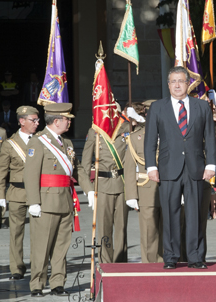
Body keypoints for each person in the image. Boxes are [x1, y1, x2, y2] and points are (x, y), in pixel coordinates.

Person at [144, 66, 216, 270]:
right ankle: (171, 257)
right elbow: (150, 140)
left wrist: (211, 164)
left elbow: (209, 137)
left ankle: (195, 257)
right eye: (173, 81)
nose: (177, 85)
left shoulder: (202, 107)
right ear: (168, 85)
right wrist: (151, 167)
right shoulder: (158, 108)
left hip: (196, 168)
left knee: (195, 214)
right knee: (169, 213)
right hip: (167, 168)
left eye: (181, 81)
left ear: (188, 84)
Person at [24, 103, 94, 296]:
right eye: (67, 119)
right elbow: (30, 174)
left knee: (61, 246)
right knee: (42, 246)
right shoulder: (37, 142)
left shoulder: (67, 143)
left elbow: (77, 168)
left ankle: (57, 283)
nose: (70, 122)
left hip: (65, 201)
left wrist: (89, 191)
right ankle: (37, 284)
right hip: (45, 203)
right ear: (56, 121)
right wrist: (33, 202)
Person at [0, 106, 39, 280]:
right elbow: (1, 171)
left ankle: (37, 266)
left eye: (37, 120)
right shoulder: (9, 144)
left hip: (37, 192)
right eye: (33, 120)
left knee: (38, 233)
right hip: (17, 192)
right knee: (16, 233)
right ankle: (16, 268)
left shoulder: (41, 140)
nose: (37, 123)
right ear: (22, 121)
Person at [81, 113, 129, 264]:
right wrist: (87, 188)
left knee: (121, 228)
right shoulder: (94, 132)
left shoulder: (126, 129)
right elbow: (86, 160)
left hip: (122, 184)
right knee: (104, 228)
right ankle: (106, 263)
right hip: (102, 184)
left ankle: (121, 263)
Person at [124, 100, 163, 263]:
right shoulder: (135, 138)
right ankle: (149, 269)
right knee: (149, 234)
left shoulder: (173, 133)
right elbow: (129, 167)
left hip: (170, 188)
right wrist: (131, 195)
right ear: (146, 114)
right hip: (146, 190)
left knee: (170, 233)